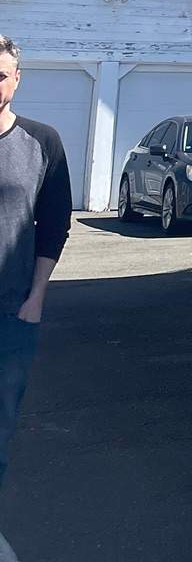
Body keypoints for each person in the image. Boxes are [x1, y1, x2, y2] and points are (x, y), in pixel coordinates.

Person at [0, 35, 69, 488]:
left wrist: (37, 296)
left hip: (11, 308)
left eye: (0, 75)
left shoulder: (42, 141)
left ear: (17, 79)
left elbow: (53, 224)